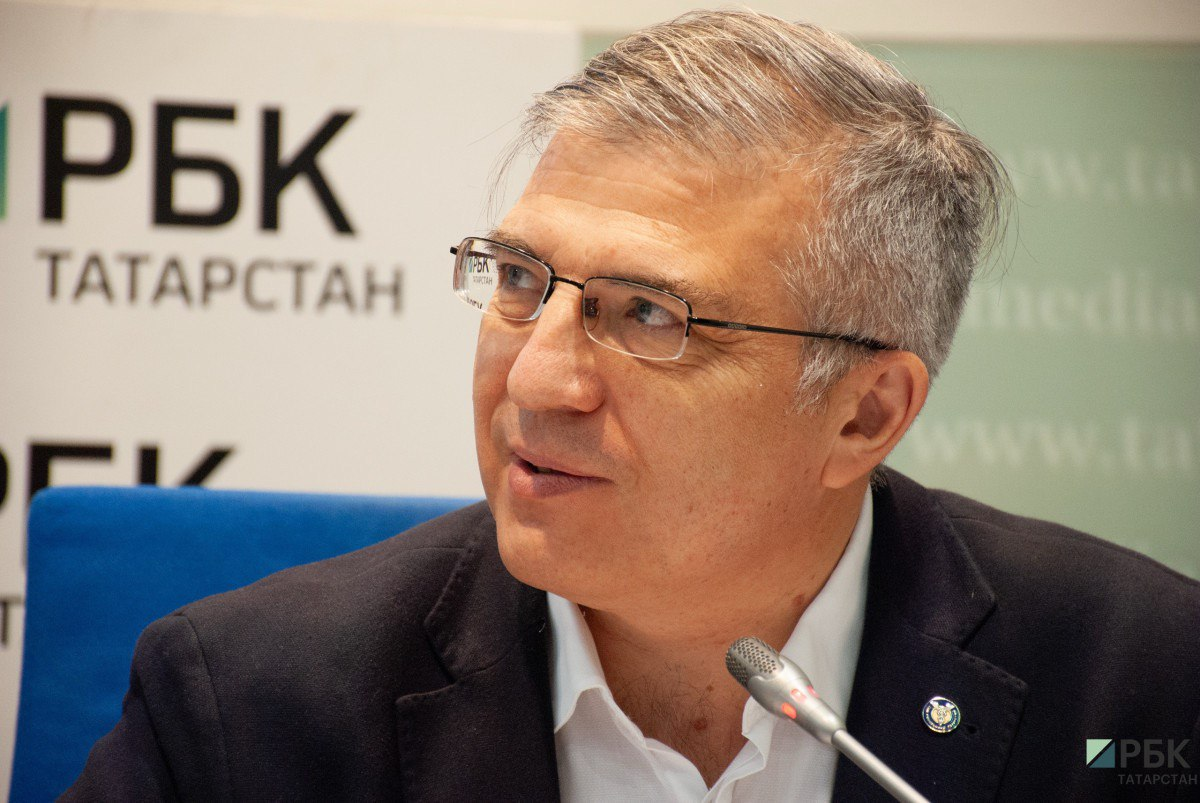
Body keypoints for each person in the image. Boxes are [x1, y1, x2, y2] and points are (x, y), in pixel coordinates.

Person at [67, 9, 1200, 802]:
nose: (534, 379)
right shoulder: (247, 708)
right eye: (521, 279)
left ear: (864, 414)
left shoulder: (1143, 684)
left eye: (650, 313)